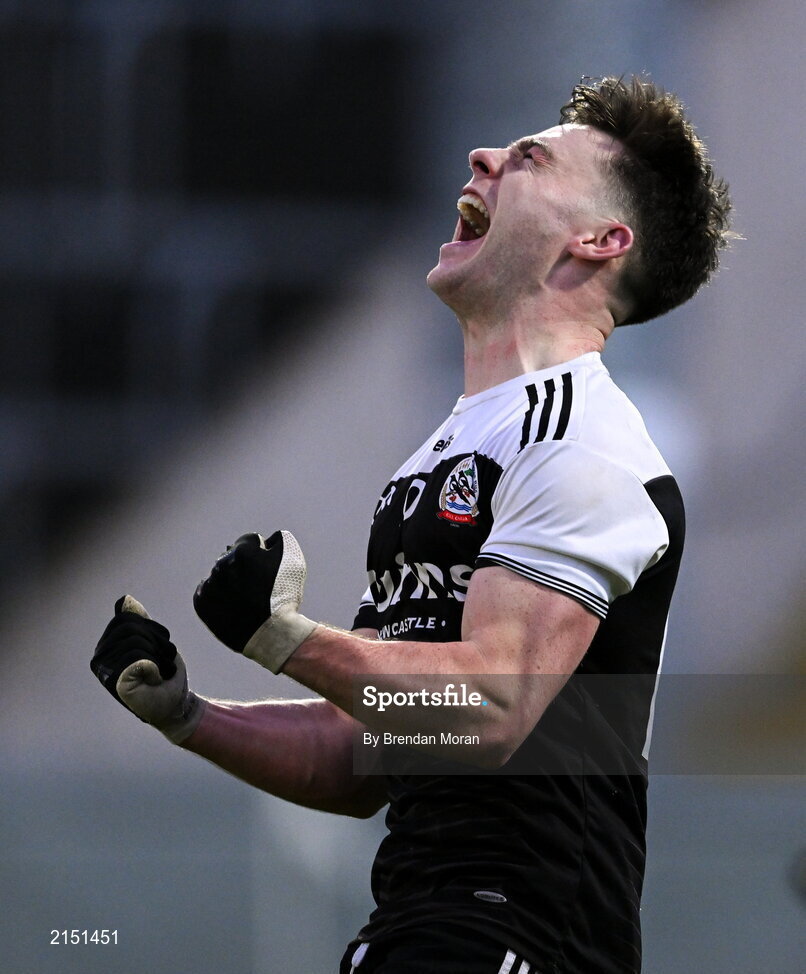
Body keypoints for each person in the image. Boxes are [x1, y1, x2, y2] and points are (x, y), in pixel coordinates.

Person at [91, 76, 732, 973]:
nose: (484, 158)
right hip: (423, 931)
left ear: (599, 242)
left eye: (530, 158)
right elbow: (370, 750)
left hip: (522, 937)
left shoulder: (582, 437)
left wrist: (288, 639)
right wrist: (189, 714)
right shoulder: (449, 448)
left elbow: (489, 708)